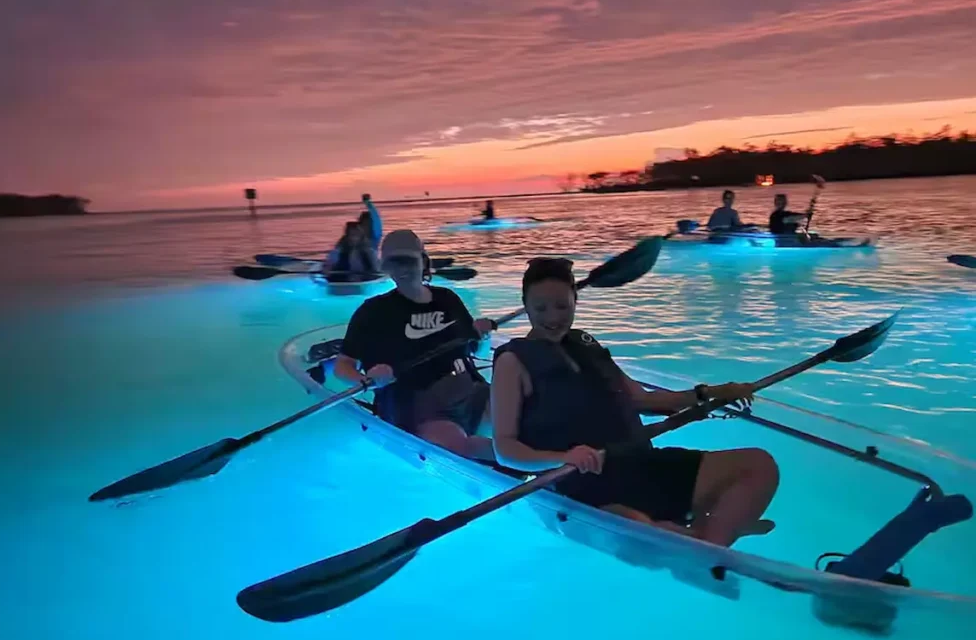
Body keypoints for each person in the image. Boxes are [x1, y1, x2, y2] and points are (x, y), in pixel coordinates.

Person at [490, 257, 779, 547]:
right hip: (586, 485)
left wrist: (709, 393)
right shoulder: (512, 362)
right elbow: (505, 449)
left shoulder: (584, 345)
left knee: (759, 465)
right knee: (650, 532)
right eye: (540, 308)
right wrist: (563, 457)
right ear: (525, 305)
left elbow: (642, 399)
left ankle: (709, 536)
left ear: (575, 300)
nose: (552, 317)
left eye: (562, 306)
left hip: (640, 464)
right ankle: (715, 533)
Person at [334, 229, 497, 459]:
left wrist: (484, 337)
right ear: (386, 266)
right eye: (394, 262)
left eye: (408, 260)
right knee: (459, 449)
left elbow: (476, 351)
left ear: (423, 261)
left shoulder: (447, 299)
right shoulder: (372, 312)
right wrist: (366, 379)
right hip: (418, 407)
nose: (402, 269)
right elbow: (343, 365)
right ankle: (533, 468)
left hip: (470, 392)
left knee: (528, 418)